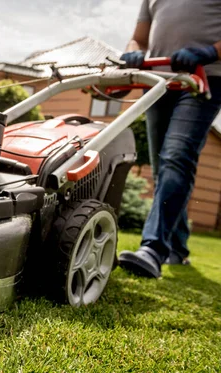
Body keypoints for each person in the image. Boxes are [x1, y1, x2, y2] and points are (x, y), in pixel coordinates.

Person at [117, 0, 221, 278]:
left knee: (176, 157)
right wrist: (134, 53)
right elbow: (137, 39)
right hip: (159, 80)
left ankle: (153, 248)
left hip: (203, 79)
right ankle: (178, 247)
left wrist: (210, 51)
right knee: (164, 169)